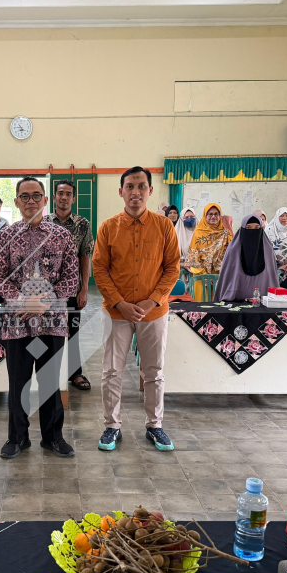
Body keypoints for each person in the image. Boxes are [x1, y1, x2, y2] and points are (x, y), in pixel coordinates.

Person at [93, 166, 180, 452]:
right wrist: (120, 303)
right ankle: (112, 426)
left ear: (150, 191)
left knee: (153, 371)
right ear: (121, 191)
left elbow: (172, 268)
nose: (136, 192)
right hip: (116, 313)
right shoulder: (108, 227)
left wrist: (152, 300)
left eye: (141, 186)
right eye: (130, 186)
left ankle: (155, 426)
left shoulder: (164, 226)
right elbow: (100, 269)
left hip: (153, 312)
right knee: (111, 371)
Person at [0, 177, 80, 459]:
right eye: (25, 196)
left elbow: (72, 278)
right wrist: (23, 302)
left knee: (50, 381)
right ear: (16, 201)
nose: (31, 201)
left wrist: (44, 302)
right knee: (18, 383)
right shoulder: (5, 236)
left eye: (36, 195)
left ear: (45, 200)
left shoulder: (62, 236)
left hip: (51, 323)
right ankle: (17, 438)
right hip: (17, 323)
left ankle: (53, 437)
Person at [47, 179, 94, 391]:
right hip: (47, 291)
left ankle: (75, 373)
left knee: (72, 332)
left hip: (72, 290)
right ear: (54, 197)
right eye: (60, 193)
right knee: (48, 332)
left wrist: (84, 289)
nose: (64, 197)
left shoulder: (82, 224)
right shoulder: (44, 222)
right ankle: (50, 372)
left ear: (73, 199)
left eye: (68, 194)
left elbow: (85, 257)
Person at [214, 215, 278, 302]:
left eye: (257, 227)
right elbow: (228, 277)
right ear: (243, 229)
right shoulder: (233, 249)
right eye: (248, 228)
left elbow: (271, 276)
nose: (253, 231)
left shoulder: (268, 249)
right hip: (235, 300)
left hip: (264, 301)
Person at [184, 203, 232, 299]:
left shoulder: (226, 234)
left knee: (219, 306)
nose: (213, 216)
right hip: (201, 276)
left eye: (216, 214)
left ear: (220, 215)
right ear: (205, 216)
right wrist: (205, 276)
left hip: (220, 277)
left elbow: (231, 256)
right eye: (210, 214)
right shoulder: (198, 234)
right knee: (202, 305)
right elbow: (193, 258)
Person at [175, 208, 196, 275]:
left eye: (192, 216)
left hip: (199, 271)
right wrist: (182, 264)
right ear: (181, 219)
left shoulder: (201, 232)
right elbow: (170, 258)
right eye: (186, 217)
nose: (189, 219)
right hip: (182, 272)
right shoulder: (176, 235)